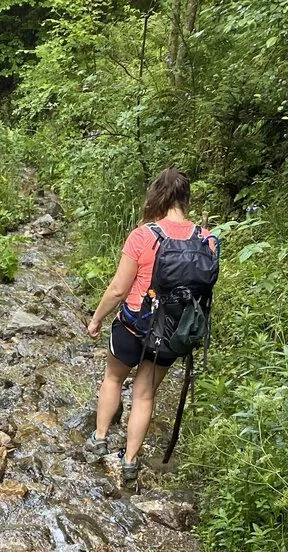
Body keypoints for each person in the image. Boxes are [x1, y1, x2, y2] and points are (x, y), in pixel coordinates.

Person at [84, 167, 210, 482]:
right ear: (185, 200)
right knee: (144, 394)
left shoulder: (143, 235)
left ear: (157, 196)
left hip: (134, 325)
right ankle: (129, 462)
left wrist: (97, 318)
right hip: (170, 332)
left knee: (113, 380)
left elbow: (117, 289)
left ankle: (99, 441)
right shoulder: (205, 238)